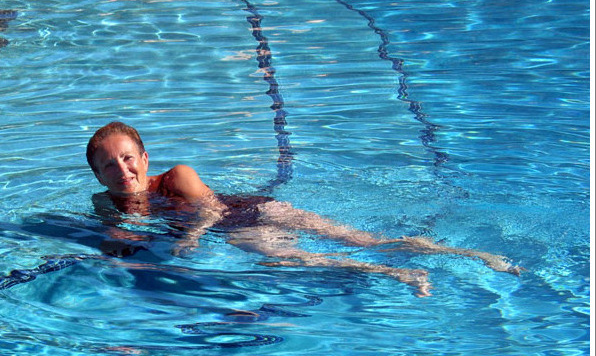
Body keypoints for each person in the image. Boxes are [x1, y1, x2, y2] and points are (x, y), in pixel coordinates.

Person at [86, 122, 523, 297]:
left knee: (362, 239)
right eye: (110, 165)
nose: (122, 169)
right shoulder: (106, 204)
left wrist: (191, 238)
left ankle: (473, 256)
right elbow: (124, 243)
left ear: (144, 157)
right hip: (235, 231)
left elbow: (213, 211)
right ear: (99, 176)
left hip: (252, 214)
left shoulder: (177, 175)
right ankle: (400, 273)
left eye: (128, 158)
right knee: (296, 257)